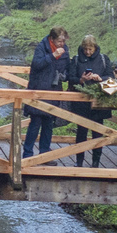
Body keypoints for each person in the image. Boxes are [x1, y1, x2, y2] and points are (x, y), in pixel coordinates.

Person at [23, 28, 69, 160]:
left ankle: (44, 155)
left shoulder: (65, 50)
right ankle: (27, 155)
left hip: (54, 91)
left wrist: (64, 76)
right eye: (59, 41)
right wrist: (52, 56)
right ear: (52, 39)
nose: (62, 44)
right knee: (35, 123)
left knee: (49, 124)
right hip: (39, 90)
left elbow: (67, 67)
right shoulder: (42, 47)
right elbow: (36, 64)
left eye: (63, 41)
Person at [67, 36, 113, 168]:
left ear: (95, 48)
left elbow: (111, 77)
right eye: (85, 49)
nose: (87, 52)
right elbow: (71, 78)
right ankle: (79, 161)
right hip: (81, 102)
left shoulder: (103, 59)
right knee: (81, 131)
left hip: (99, 101)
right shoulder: (76, 60)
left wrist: (100, 78)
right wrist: (81, 80)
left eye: (90, 49)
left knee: (97, 132)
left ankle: (95, 162)